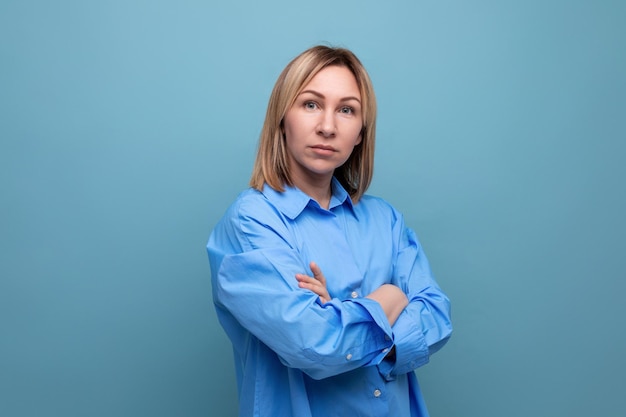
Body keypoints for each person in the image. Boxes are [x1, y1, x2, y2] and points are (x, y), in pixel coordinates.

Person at [207, 45, 452, 417]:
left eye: (346, 109)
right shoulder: (252, 220)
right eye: (310, 104)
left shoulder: (385, 219)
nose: (327, 126)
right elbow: (314, 344)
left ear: (359, 134)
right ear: (281, 118)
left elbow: (436, 316)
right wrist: (388, 298)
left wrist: (340, 314)